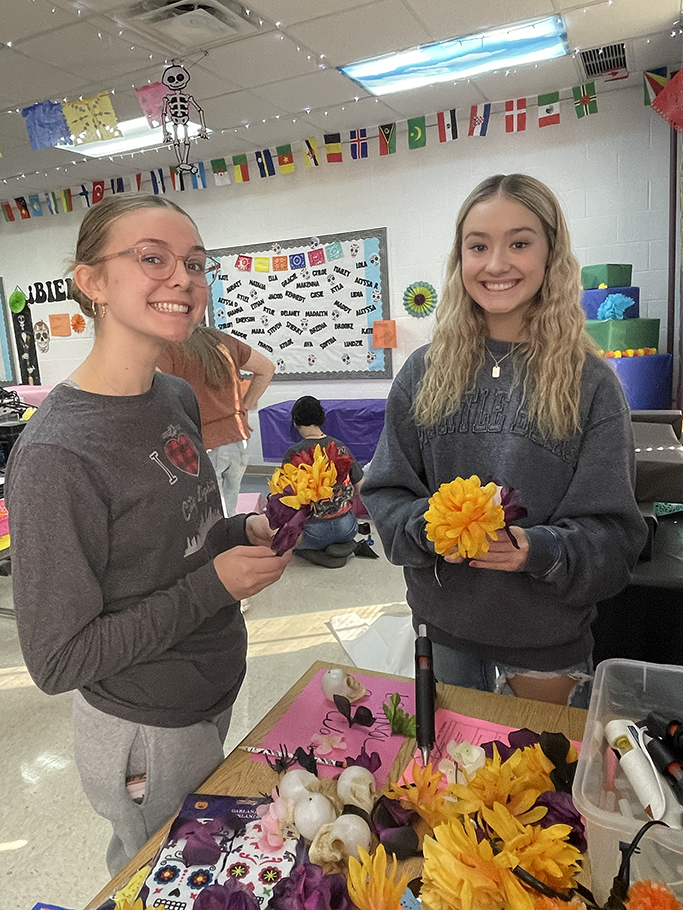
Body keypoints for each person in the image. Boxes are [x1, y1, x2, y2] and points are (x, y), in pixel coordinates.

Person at [5, 194, 292, 875]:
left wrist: (238, 530)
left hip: (212, 685)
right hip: (145, 723)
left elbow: (180, 541)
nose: (183, 279)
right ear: (93, 282)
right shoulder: (58, 456)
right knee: (156, 878)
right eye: (151, 259)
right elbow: (58, 661)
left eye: (194, 262)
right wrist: (213, 586)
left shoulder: (174, 396)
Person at [362, 174, 647, 707]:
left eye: (519, 242)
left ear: (550, 255)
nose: (496, 264)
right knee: (446, 783)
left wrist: (540, 550)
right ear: (460, 257)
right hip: (440, 636)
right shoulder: (422, 373)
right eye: (478, 246)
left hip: (546, 649)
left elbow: (616, 539)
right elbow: (384, 497)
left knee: (539, 787)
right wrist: (431, 528)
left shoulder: (591, 384)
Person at [157, 326, 275, 516]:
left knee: (211, 510)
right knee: (228, 502)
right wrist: (243, 409)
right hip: (238, 438)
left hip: (205, 443)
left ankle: (223, 542)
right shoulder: (223, 340)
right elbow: (266, 369)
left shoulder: (169, 348)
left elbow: (155, 390)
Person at [284, 395, 364, 568]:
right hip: (348, 527)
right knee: (341, 524)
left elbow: (284, 497)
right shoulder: (340, 447)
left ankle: (313, 552)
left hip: (314, 532)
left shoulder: (294, 453)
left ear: (295, 422)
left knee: (286, 536)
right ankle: (342, 545)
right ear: (321, 419)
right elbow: (361, 486)